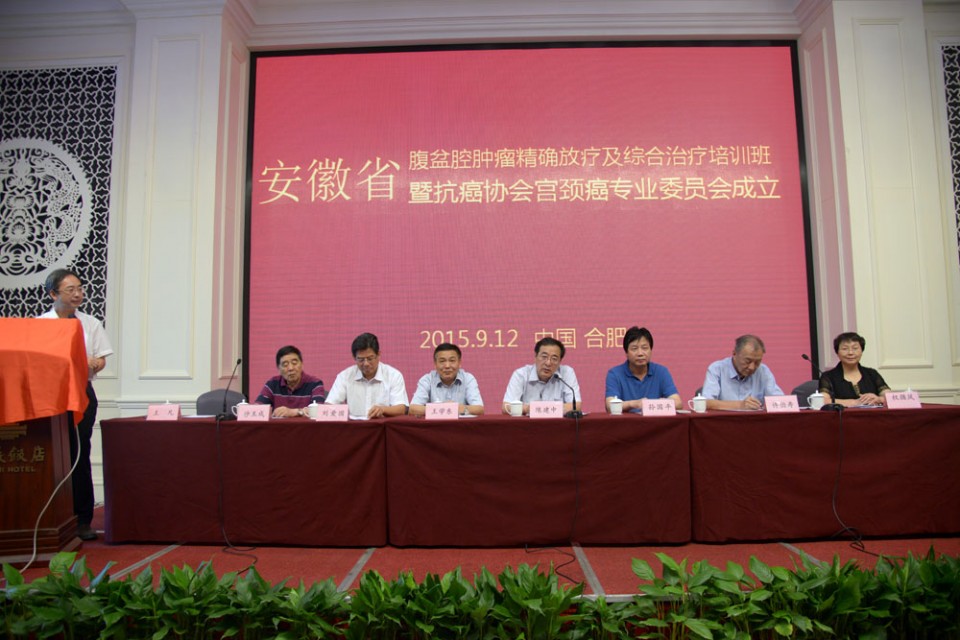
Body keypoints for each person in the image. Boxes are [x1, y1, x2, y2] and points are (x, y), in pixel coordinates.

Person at [38, 269, 113, 541]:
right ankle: (52, 516)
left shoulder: (89, 323)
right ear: (53, 294)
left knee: (79, 452)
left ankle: (82, 519)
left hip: (81, 391)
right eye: (70, 289)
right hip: (49, 395)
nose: (78, 294)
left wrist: (93, 363)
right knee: (51, 455)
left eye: (80, 288)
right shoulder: (40, 324)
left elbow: (101, 360)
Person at [325, 332, 408, 418]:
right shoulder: (345, 376)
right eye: (361, 359)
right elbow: (329, 405)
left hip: (381, 424)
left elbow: (401, 409)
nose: (366, 364)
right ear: (354, 357)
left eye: (370, 358)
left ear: (378, 355)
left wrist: (383, 409)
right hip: (353, 425)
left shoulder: (393, 375)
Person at [605, 326, 681, 412]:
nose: (640, 353)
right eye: (634, 349)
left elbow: (678, 403)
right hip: (626, 421)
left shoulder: (661, 372)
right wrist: (634, 404)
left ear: (651, 350)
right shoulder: (615, 374)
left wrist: (653, 404)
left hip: (655, 420)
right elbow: (610, 405)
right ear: (626, 353)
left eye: (644, 348)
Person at [502, 337, 581, 415]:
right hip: (528, 423)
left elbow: (576, 406)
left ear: (560, 361)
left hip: (557, 423)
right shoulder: (521, 375)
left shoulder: (566, 373)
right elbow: (506, 407)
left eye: (554, 358)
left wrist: (537, 409)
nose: (548, 363)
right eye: (544, 357)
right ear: (536, 356)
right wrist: (527, 409)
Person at [701, 334, 783, 410]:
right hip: (725, 420)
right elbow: (705, 403)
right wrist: (740, 405)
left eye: (757, 362)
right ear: (734, 354)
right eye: (747, 361)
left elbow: (780, 401)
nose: (752, 367)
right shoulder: (717, 369)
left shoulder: (763, 371)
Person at [409, 343, 484, 416]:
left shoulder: (468, 379)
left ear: (459, 363)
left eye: (452, 360)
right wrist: (443, 408)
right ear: (435, 364)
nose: (447, 366)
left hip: (461, 424)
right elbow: (413, 409)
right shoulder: (427, 379)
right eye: (442, 361)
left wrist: (460, 408)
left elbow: (479, 409)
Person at [818, 332, 890, 407]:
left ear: (862, 351)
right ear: (837, 352)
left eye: (855, 348)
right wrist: (854, 402)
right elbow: (823, 401)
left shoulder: (872, 373)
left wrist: (879, 399)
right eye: (845, 349)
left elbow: (890, 397)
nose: (850, 352)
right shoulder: (828, 376)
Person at [254, 345, 326, 417]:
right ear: (279, 369)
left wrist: (295, 412)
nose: (291, 368)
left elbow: (318, 411)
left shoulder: (315, 384)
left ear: (302, 364)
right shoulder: (272, 384)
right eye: (285, 365)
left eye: (294, 363)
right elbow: (257, 409)